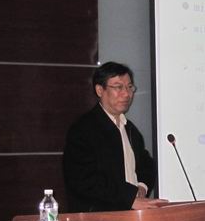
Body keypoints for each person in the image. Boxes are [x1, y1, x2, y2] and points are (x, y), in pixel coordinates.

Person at [62, 62, 168, 212]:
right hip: (99, 219)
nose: (126, 94)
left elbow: (146, 165)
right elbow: (84, 179)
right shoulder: (83, 129)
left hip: (132, 216)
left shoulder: (130, 129)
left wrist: (141, 187)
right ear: (100, 90)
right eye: (118, 87)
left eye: (129, 87)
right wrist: (129, 199)